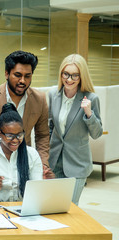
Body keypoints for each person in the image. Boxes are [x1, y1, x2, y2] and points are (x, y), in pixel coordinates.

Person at [48, 54, 103, 205]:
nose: (69, 79)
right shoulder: (53, 95)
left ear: (81, 76)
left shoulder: (91, 98)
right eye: (66, 74)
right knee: (53, 206)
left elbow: (97, 133)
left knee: (70, 208)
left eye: (74, 75)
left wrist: (89, 113)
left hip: (77, 163)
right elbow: (50, 128)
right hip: (55, 162)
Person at [0, 103, 54, 202]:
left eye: (19, 135)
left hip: (24, 209)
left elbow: (37, 193)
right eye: (10, 136)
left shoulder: (32, 154)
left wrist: (46, 183)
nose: (15, 140)